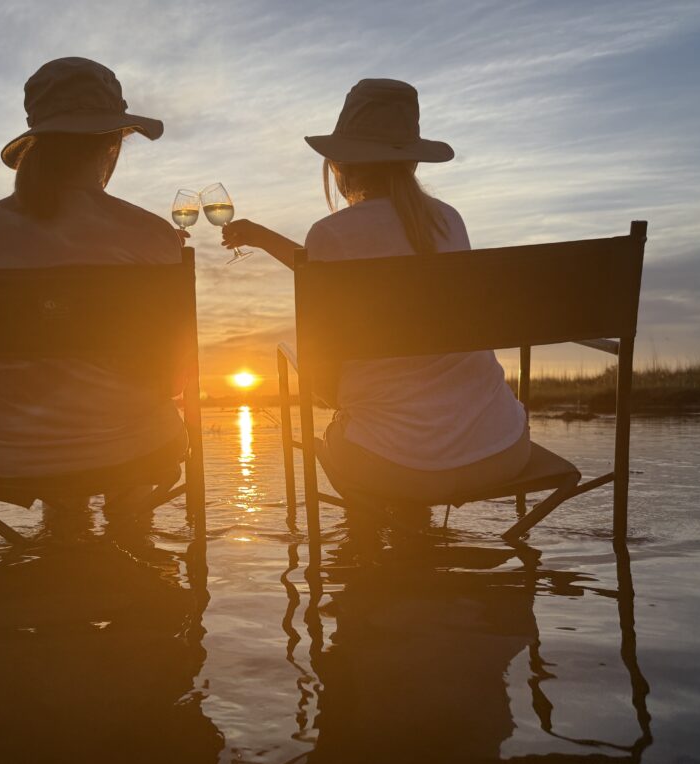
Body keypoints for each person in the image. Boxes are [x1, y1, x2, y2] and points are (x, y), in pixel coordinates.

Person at [221, 79, 529, 506]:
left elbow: (327, 345)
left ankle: (371, 561)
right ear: (413, 162)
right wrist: (263, 237)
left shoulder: (332, 234)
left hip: (390, 464)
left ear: (342, 163)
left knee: (344, 411)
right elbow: (349, 264)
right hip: (500, 449)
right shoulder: (448, 222)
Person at [0, 57, 186, 508]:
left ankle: (64, 539)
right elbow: (173, 377)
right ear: (112, 145)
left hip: (1, 449)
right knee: (134, 416)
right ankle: (131, 540)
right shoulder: (150, 232)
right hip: (125, 447)